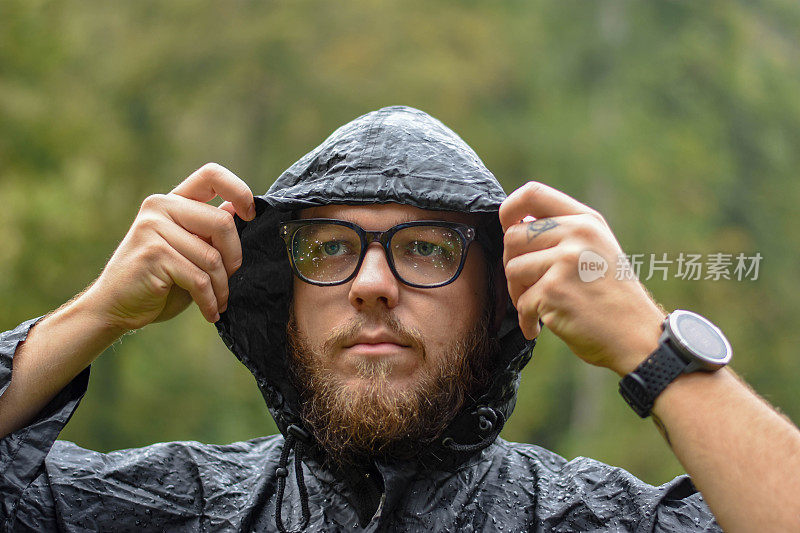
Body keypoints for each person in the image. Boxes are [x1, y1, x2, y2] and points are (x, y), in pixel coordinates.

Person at [0, 106, 798, 532]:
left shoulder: (590, 521)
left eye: (424, 248)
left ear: (498, 301)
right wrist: (97, 314)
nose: (373, 283)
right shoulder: (179, 509)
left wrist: (650, 349)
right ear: (282, 301)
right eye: (331, 248)